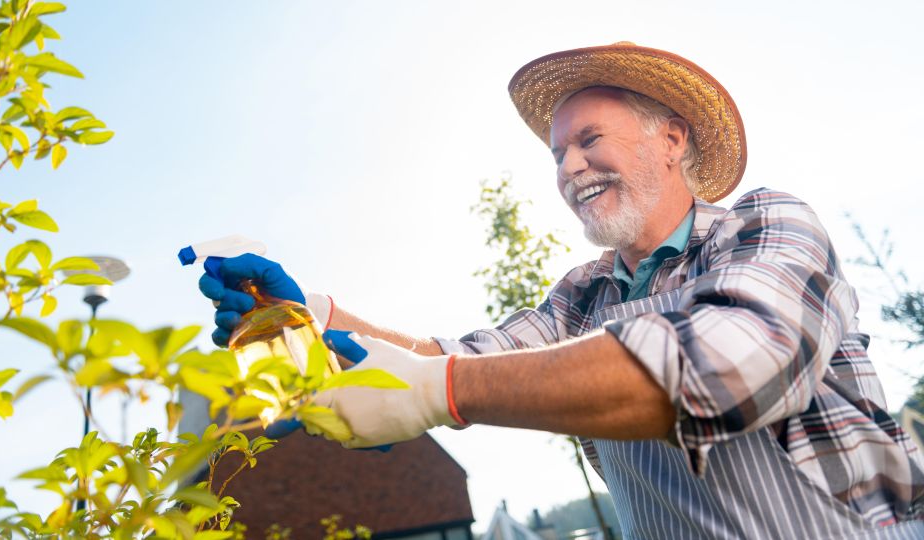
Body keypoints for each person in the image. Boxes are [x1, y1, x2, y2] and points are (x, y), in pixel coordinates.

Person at [198, 43, 924, 538]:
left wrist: (430, 392)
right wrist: (312, 316)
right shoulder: (581, 298)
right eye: (557, 155)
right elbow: (451, 360)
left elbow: (728, 367)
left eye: (589, 140)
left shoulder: (765, 226)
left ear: (672, 140)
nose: (569, 168)